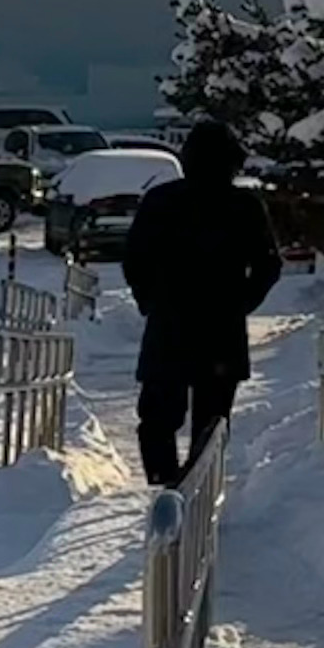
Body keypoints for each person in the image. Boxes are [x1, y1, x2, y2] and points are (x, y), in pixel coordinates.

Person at [115, 119, 283, 488]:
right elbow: (269, 263)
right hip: (222, 329)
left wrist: (151, 301)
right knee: (212, 423)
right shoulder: (244, 205)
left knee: (158, 417)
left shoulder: (160, 201)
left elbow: (134, 260)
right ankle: (200, 494)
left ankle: (165, 488)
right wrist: (242, 302)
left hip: (168, 326)